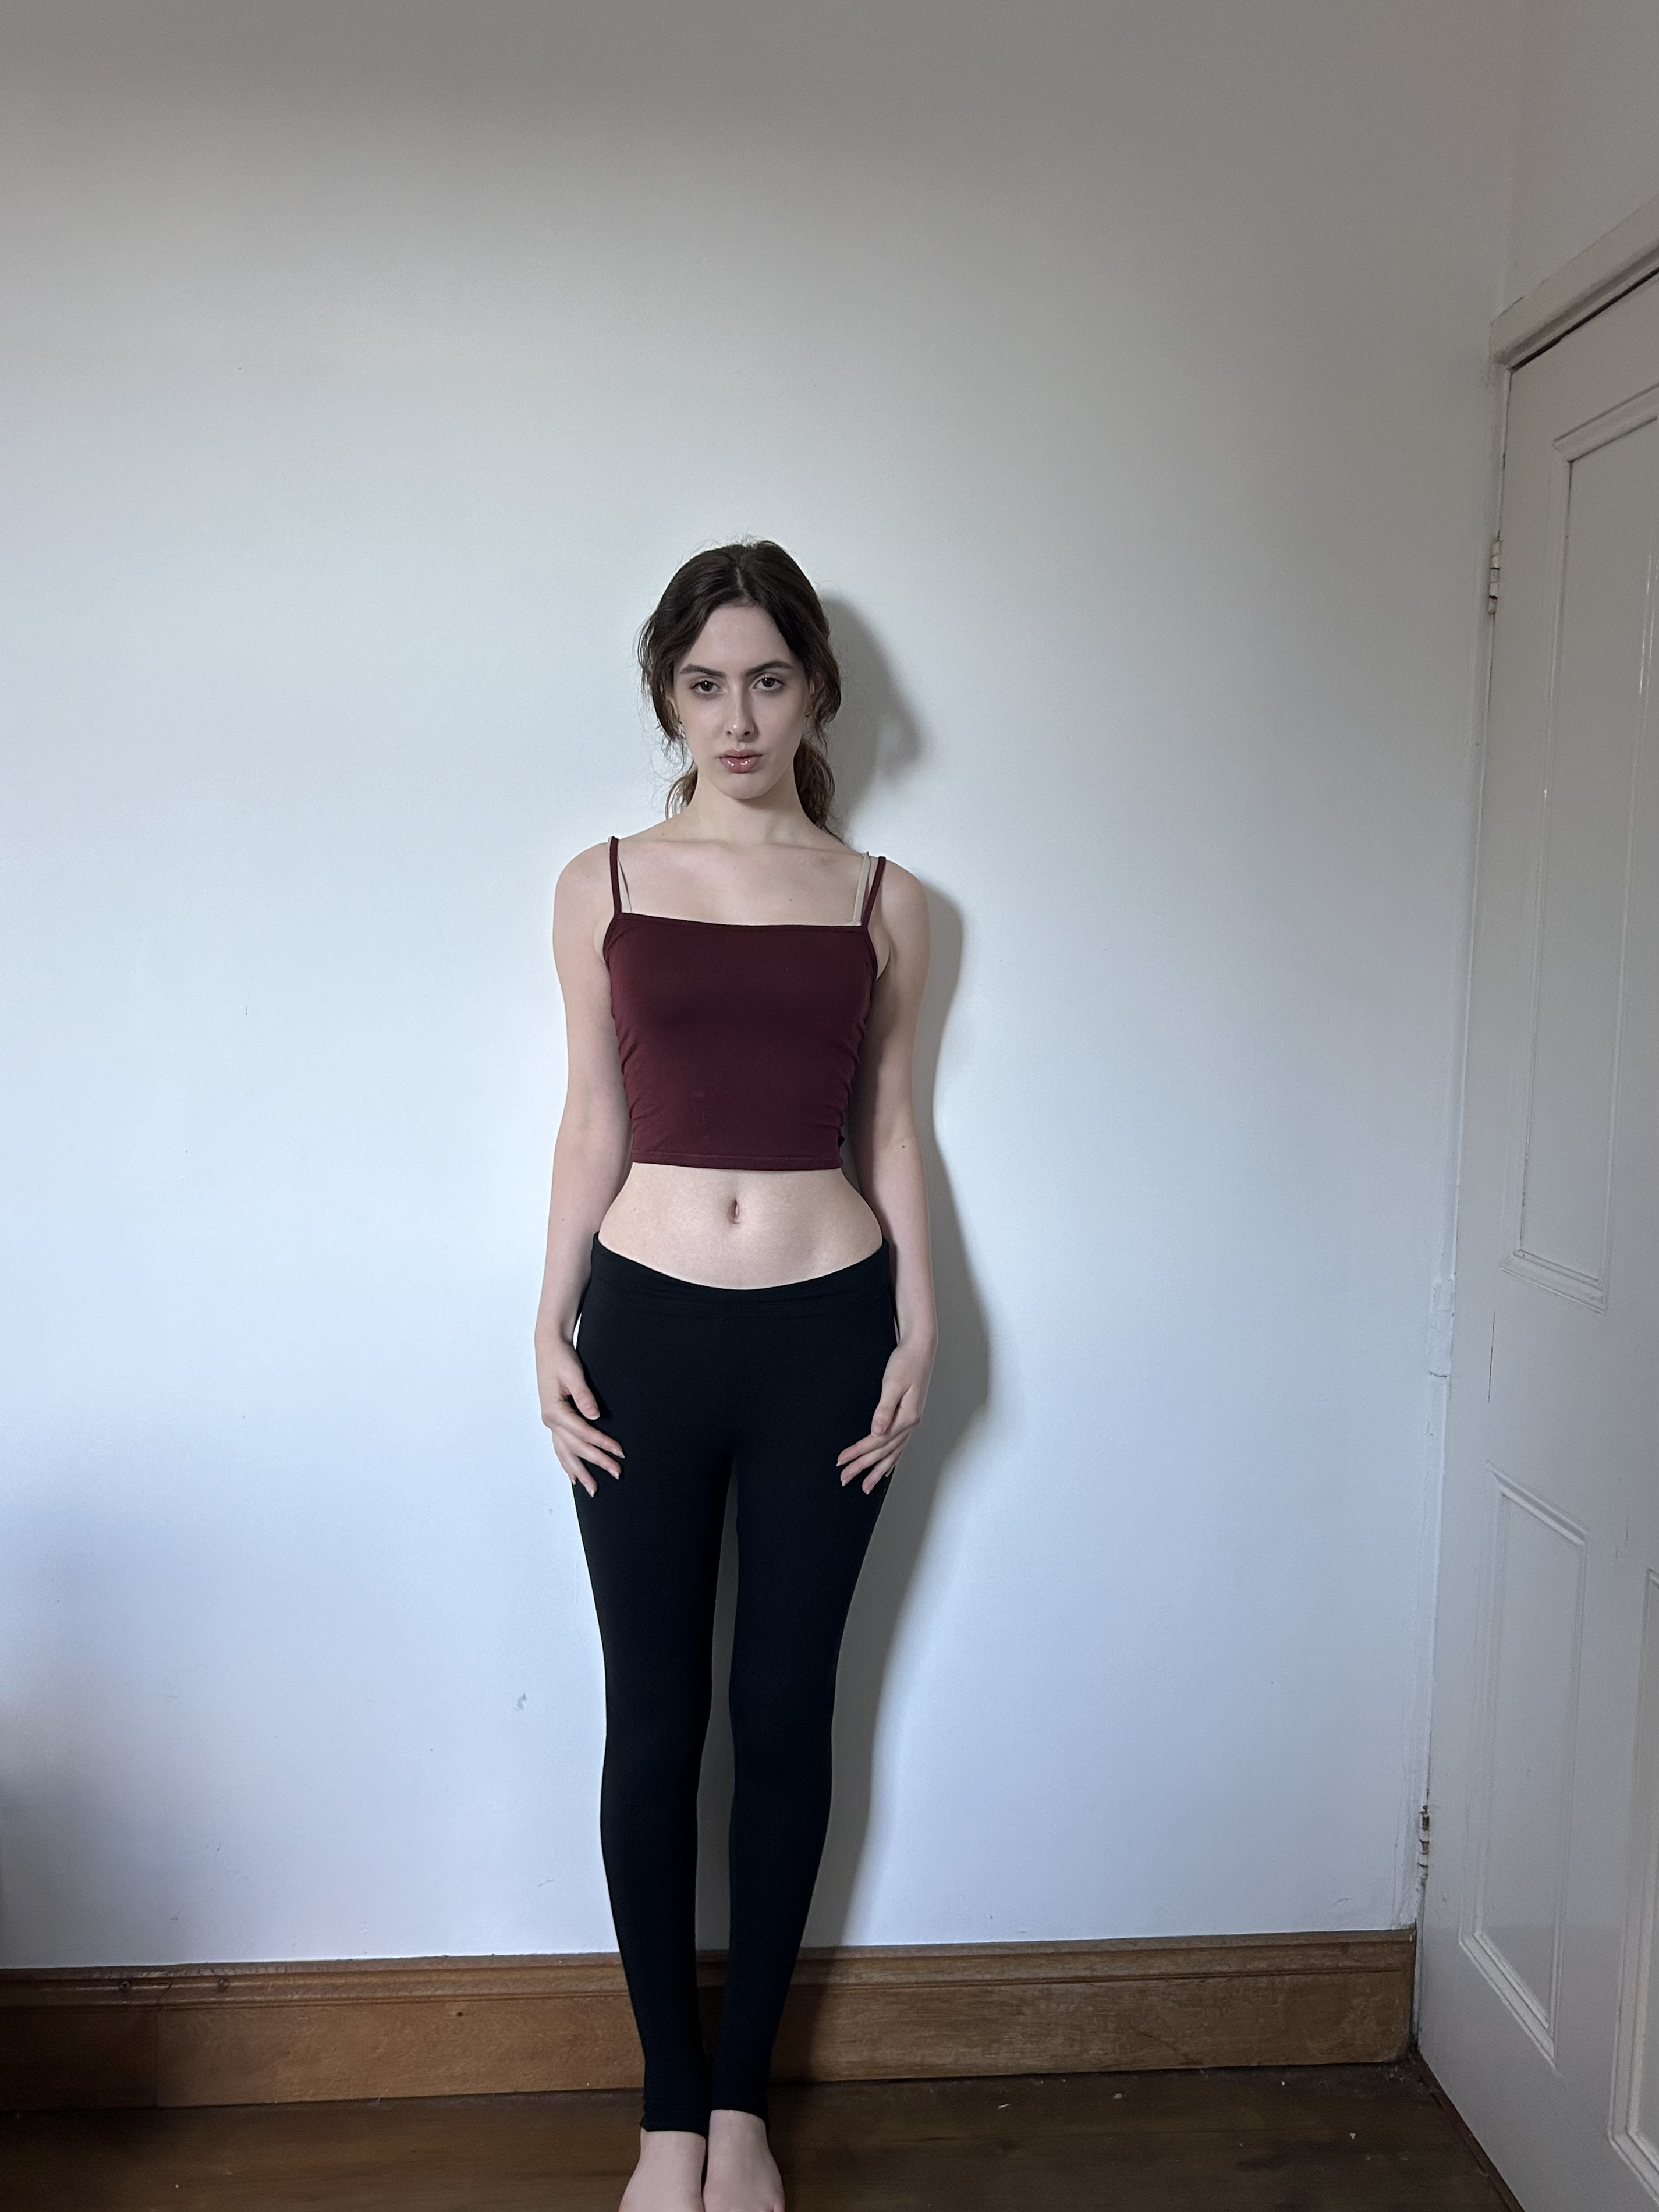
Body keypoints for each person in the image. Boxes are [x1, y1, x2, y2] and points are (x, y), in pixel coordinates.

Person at [534, 540, 937, 2212]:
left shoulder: (884, 899)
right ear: (667, 697)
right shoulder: (604, 882)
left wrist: (923, 1321)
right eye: (705, 684)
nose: (739, 717)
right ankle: (666, 2116)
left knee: (785, 1711)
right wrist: (547, 1325)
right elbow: (593, 1117)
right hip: (643, 1334)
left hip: (828, 1334)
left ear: (816, 689)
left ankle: (746, 2108)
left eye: (769, 679)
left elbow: (892, 1126)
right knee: (654, 1714)